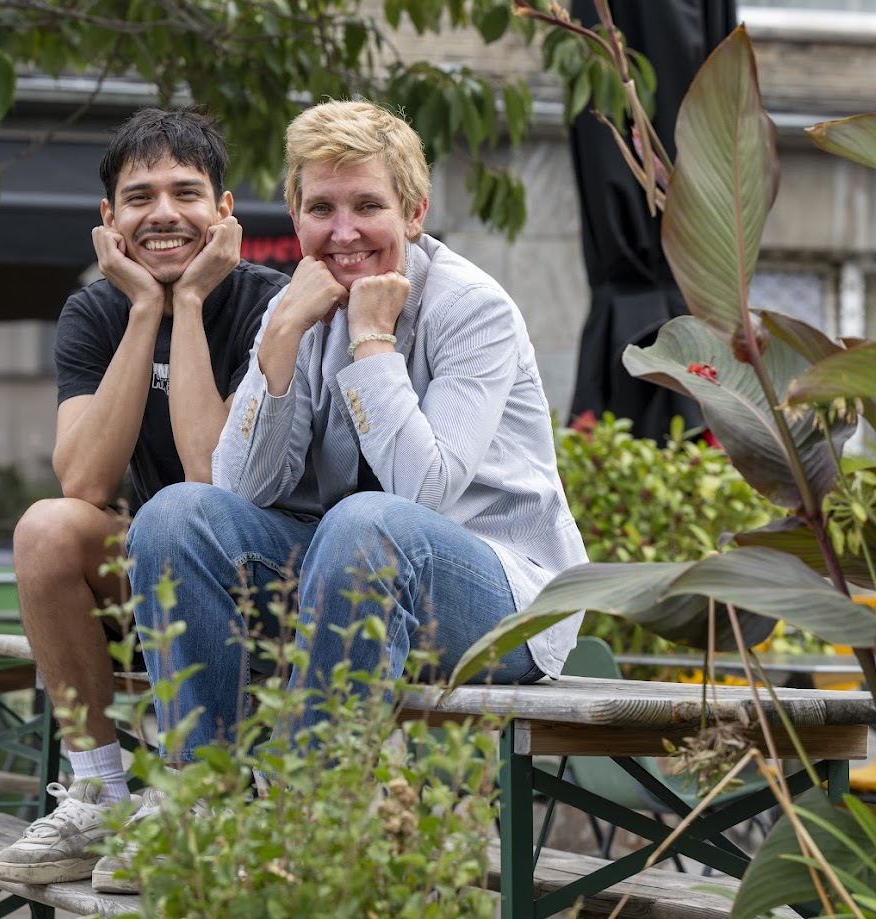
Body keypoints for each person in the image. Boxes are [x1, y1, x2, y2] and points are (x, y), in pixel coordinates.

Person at [127, 98, 587, 782]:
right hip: (344, 575)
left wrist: (372, 340)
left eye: (367, 205)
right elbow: (238, 488)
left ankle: (313, 812)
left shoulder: (471, 308)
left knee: (367, 523)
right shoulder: (299, 304)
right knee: (175, 515)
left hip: (502, 599)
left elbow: (422, 494)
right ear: (296, 218)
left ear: (414, 212)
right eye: (321, 209)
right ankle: (201, 793)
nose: (343, 232)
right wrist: (282, 338)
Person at [0, 108, 289, 888]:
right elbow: (84, 483)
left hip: (279, 573)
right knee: (48, 530)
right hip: (163, 569)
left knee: (178, 512)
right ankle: (98, 791)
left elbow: (210, 478)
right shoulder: (95, 311)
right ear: (109, 221)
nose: (162, 213)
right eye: (139, 196)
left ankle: (208, 795)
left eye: (186, 192)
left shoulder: (271, 304)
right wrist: (143, 310)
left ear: (224, 213)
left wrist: (188, 304)